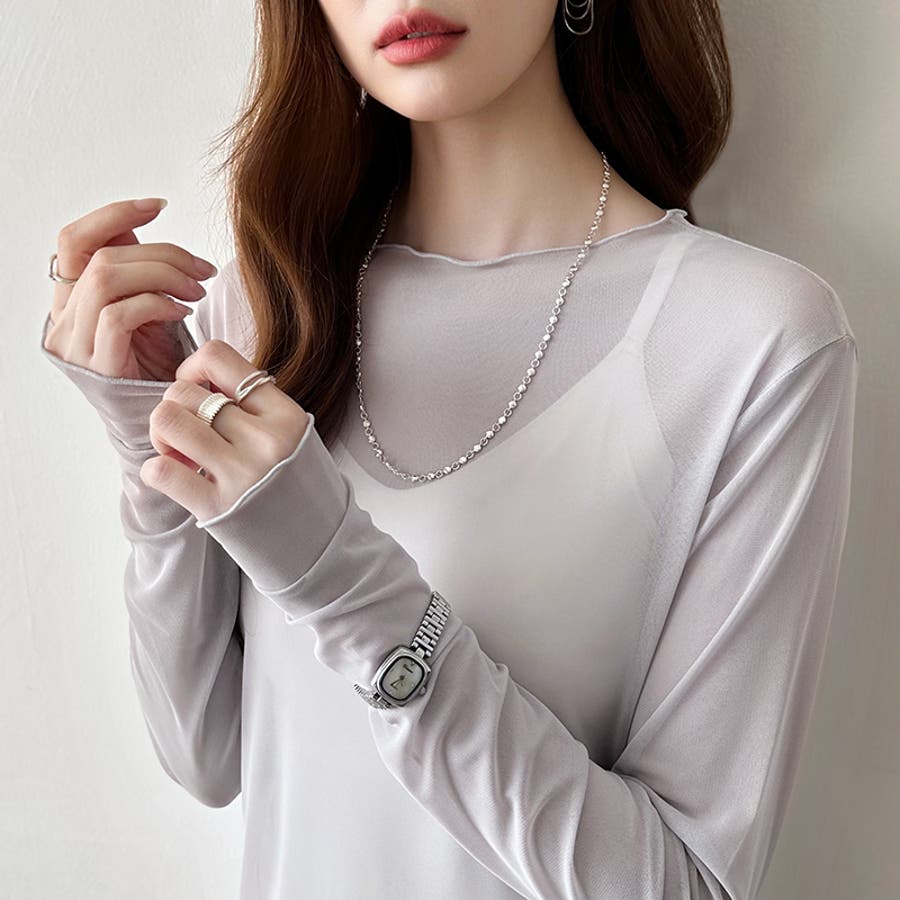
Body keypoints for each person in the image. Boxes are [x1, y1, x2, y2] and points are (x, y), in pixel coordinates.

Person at [39, 1, 859, 898]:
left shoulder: (750, 339)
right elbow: (205, 755)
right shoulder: (268, 311)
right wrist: (149, 443)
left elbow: (685, 884)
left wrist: (341, 582)